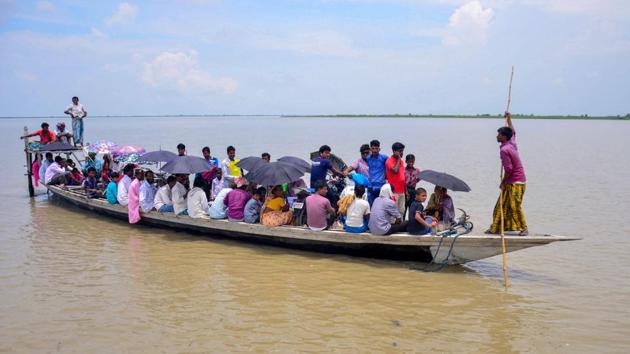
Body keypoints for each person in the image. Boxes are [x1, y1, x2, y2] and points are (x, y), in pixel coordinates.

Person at [487, 112, 528, 236]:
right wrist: (509, 119)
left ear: (504, 137)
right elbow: (513, 132)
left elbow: (509, 169)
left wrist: (503, 182)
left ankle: (524, 228)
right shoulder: (511, 143)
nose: (497, 136)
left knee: (514, 207)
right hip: (515, 180)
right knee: (500, 206)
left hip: (515, 182)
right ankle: (496, 228)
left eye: (499, 134)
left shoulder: (505, 149)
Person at [385, 142, 406, 215]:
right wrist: (399, 159)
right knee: (393, 212)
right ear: (394, 151)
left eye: (402, 151)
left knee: (401, 211)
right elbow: (395, 171)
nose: (402, 153)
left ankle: (401, 226)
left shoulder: (402, 162)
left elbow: (403, 177)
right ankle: (393, 226)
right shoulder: (389, 161)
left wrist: (406, 191)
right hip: (394, 192)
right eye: (400, 151)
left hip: (402, 191)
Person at [366, 139, 388, 206]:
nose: (375, 150)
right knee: (371, 206)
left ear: (379, 149)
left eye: (376, 148)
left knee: (381, 206)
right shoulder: (368, 158)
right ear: (370, 149)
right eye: (373, 148)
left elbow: (390, 166)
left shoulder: (384, 157)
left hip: (381, 186)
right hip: (371, 186)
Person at [404, 154, 421, 219]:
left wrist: (415, 181)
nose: (411, 163)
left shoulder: (417, 170)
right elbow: (403, 181)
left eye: (412, 161)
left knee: (412, 207)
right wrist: (406, 192)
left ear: (414, 161)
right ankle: (403, 222)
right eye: (409, 161)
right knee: (404, 207)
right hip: (406, 189)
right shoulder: (403, 170)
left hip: (413, 190)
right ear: (406, 161)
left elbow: (419, 178)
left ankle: (410, 222)